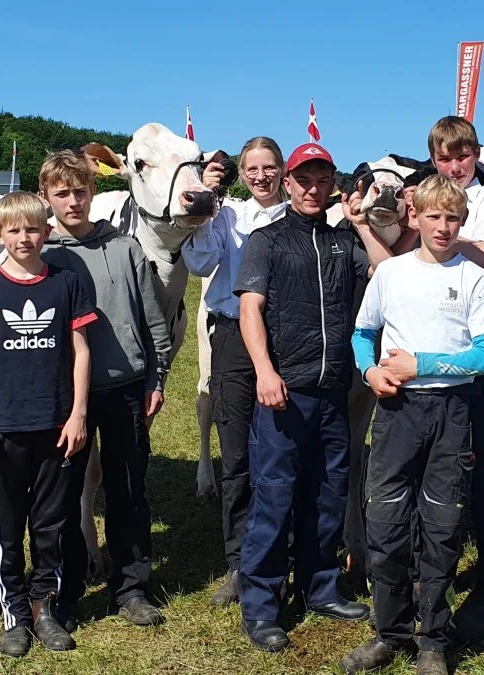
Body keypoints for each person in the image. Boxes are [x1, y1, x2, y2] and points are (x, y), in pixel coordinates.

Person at [341, 175, 484, 675]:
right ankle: (389, 631)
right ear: (414, 217)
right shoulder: (391, 274)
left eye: (452, 218)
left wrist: (423, 365)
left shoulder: (474, 278)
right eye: (433, 216)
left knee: (442, 524)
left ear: (462, 222)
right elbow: (361, 333)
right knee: (387, 522)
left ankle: (433, 639)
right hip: (395, 413)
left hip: (451, 413)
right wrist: (370, 371)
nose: (443, 226)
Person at [234, 142, 378, 652]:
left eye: (323, 180)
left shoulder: (344, 242)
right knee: (274, 496)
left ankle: (320, 587)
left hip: (333, 389)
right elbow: (250, 310)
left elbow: (385, 272)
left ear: (332, 185)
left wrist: (360, 222)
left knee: (328, 493)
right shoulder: (266, 241)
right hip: (284, 392)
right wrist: (265, 372)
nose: (313, 189)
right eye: (304, 179)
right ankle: (261, 606)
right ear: (288, 184)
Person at [39, 151, 173, 629]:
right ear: (46, 198)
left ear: (93, 192)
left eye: (80, 191)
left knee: (129, 491)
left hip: (126, 387)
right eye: (62, 193)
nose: (72, 201)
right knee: (65, 493)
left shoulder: (126, 248)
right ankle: (68, 591)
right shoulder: (44, 256)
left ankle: (131, 587)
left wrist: (156, 377)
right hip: (64, 398)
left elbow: (153, 320)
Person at [0, 191, 97, 657]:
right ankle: (14, 612)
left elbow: (81, 351)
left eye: (33, 228)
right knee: (9, 526)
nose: (24, 237)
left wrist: (78, 413)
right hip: (6, 427)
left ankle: (44, 606)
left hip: (57, 423)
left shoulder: (65, 282)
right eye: (14, 230)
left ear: (48, 231)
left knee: (50, 523)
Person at [407, 117, 484, 646]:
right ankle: (419, 583)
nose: (455, 166)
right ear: (433, 158)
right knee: (423, 472)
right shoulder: (421, 198)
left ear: (477, 155)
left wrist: (432, 228)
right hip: (422, 362)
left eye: (463, 156)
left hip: (473, 352)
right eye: (444, 158)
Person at [181, 137, 288, 608]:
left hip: (286, 338)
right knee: (237, 453)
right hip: (231, 336)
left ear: (282, 170)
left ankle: (283, 558)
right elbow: (199, 261)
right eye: (252, 168)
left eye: (269, 167)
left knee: (283, 453)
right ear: (241, 174)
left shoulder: (300, 216)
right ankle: (240, 562)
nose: (261, 176)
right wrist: (204, 207)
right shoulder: (229, 216)